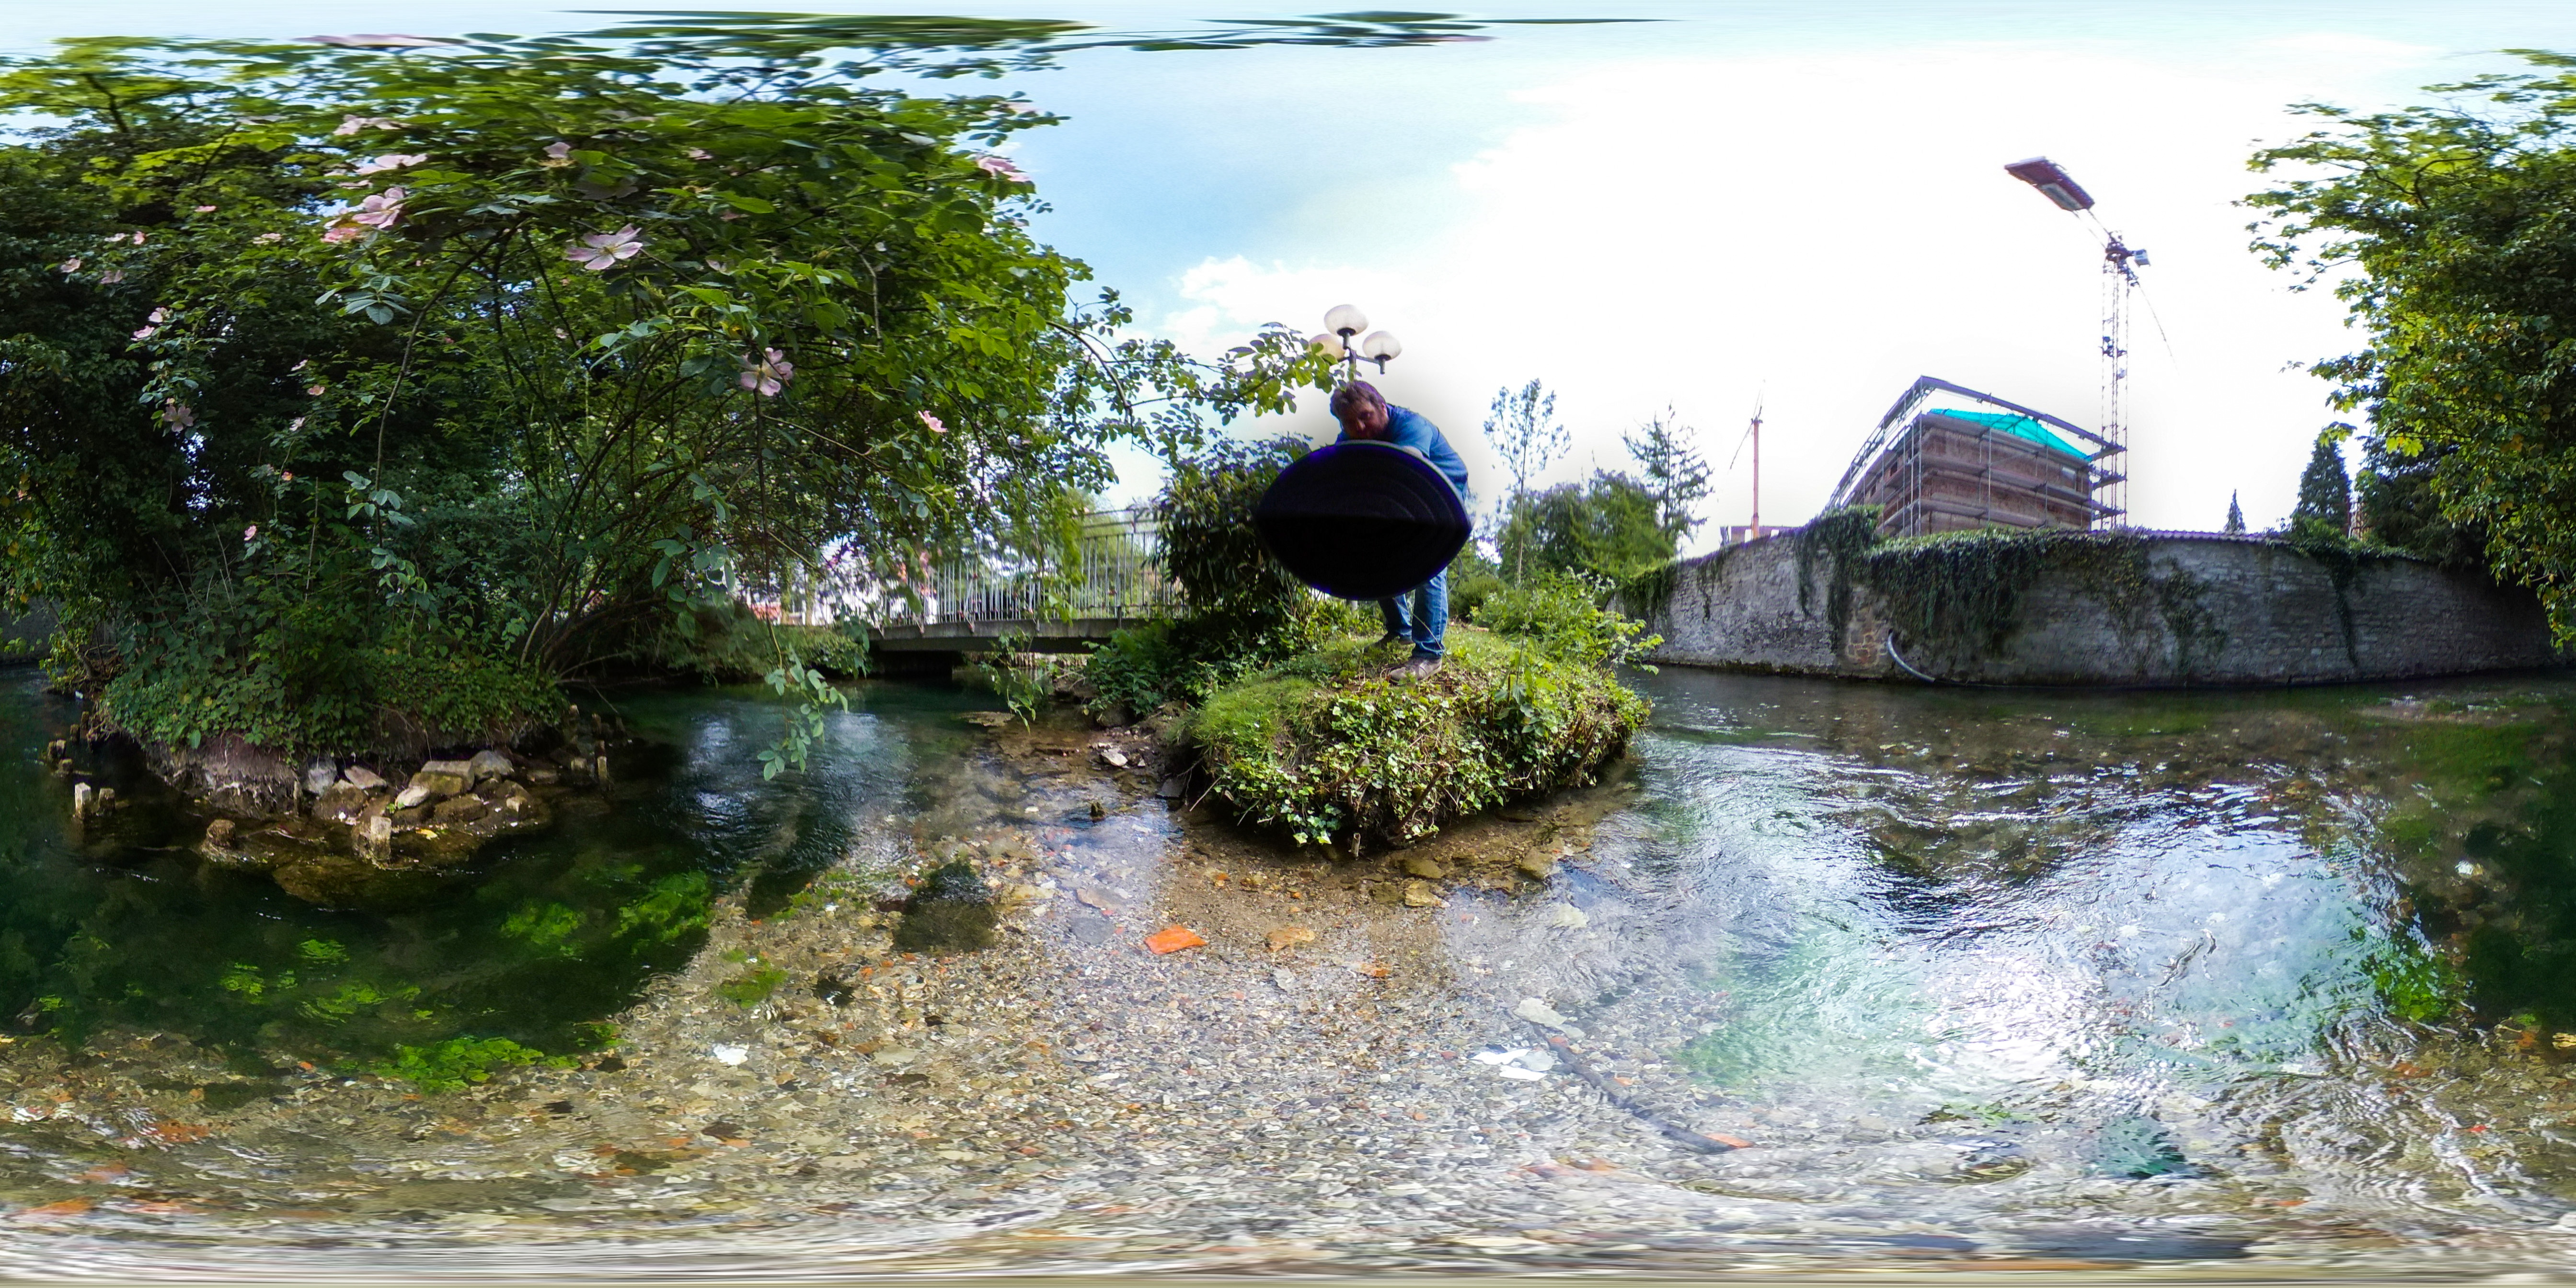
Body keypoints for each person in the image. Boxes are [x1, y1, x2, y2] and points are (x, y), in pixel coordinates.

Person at [1329, 380, 1469, 675]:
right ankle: (1400, 630)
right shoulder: (1350, 437)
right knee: (1379, 558)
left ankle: (1429, 655)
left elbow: (1408, 469)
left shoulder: (1412, 426)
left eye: (1365, 416)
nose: (1360, 427)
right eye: (1350, 423)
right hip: (1393, 496)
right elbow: (1340, 476)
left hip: (1442, 492)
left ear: (1382, 407)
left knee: (1428, 563)